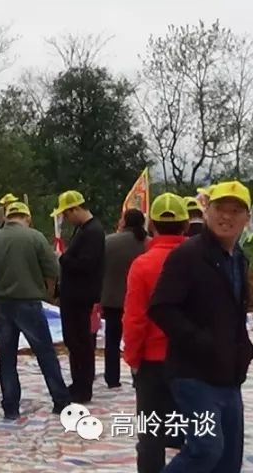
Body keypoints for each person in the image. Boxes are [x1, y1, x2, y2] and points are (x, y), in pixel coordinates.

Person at [150, 181, 253, 473]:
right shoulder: (188, 255)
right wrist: (199, 340)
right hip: (193, 373)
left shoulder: (238, 259)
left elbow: (233, 312)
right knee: (206, 448)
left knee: (229, 460)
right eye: (221, 208)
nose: (227, 217)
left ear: (247, 218)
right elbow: (161, 307)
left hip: (229, 373)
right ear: (206, 211)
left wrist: (244, 348)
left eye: (236, 211)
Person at [0, 202, 71, 420]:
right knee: (45, 353)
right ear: (27, 218)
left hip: (1, 304)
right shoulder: (36, 238)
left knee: (7, 357)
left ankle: (10, 406)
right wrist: (47, 290)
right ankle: (60, 400)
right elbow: (53, 269)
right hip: (29, 303)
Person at [123, 193, 188, 473]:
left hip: (152, 360)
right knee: (197, 428)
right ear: (186, 226)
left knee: (150, 434)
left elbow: (135, 319)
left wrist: (133, 357)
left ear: (152, 226)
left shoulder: (143, 265)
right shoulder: (200, 261)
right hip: (191, 359)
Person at [53, 190, 105, 404]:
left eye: (66, 214)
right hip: (74, 295)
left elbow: (86, 265)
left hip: (80, 296)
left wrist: (63, 259)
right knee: (74, 342)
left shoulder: (92, 232)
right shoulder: (83, 229)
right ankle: (78, 383)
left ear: (75, 209)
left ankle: (83, 387)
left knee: (81, 343)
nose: (65, 219)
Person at [100, 208, 148, 389]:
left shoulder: (109, 242)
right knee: (139, 339)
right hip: (141, 299)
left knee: (112, 341)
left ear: (124, 221)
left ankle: (112, 378)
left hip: (112, 298)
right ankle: (139, 377)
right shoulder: (147, 243)